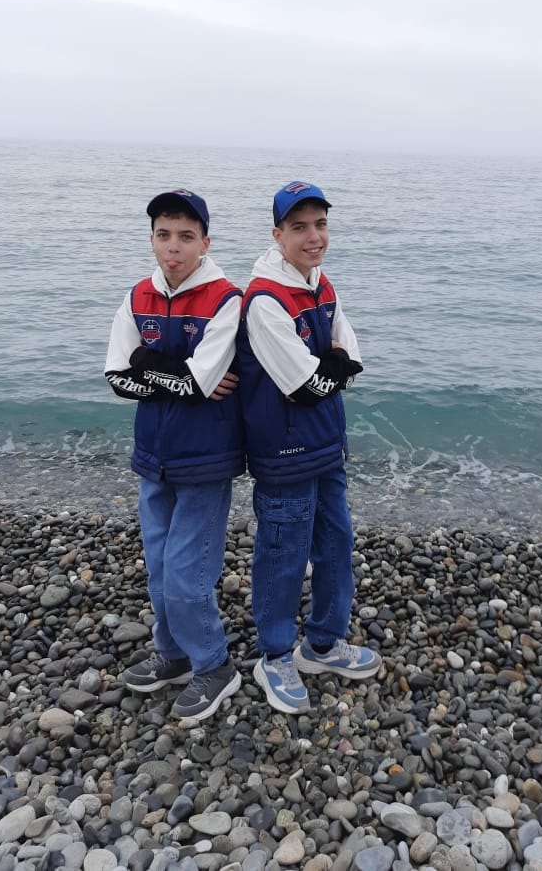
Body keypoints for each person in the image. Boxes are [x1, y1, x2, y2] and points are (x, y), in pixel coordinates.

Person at [237, 180, 381, 713]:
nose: (313, 236)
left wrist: (335, 366)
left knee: (336, 544)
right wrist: (334, 366)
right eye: (299, 227)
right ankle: (274, 655)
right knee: (282, 553)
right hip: (284, 452)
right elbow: (304, 385)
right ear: (278, 235)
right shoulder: (264, 299)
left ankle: (322, 643)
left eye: (320, 224)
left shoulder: (322, 286)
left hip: (326, 444)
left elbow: (351, 358)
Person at [104, 188, 244, 721]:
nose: (173, 247)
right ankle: (174, 655)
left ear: (205, 242)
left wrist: (147, 362)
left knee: (188, 574)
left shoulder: (226, 299)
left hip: (205, 460)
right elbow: (118, 376)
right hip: (152, 456)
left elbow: (198, 381)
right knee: (160, 570)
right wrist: (169, 373)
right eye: (164, 235)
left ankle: (214, 664)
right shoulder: (137, 295)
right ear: (152, 239)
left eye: (186, 236)